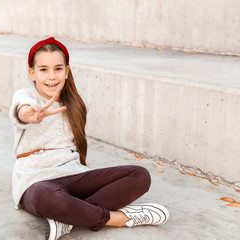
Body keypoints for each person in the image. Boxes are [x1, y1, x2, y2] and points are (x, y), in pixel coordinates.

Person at [9, 37, 169, 240]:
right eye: (43, 69)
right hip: (37, 180)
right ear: (32, 73)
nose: (51, 76)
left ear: (67, 72)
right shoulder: (26, 96)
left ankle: (68, 215)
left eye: (58, 68)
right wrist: (30, 114)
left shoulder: (77, 103)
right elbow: (21, 109)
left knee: (139, 175)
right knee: (48, 197)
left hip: (73, 175)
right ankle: (118, 218)